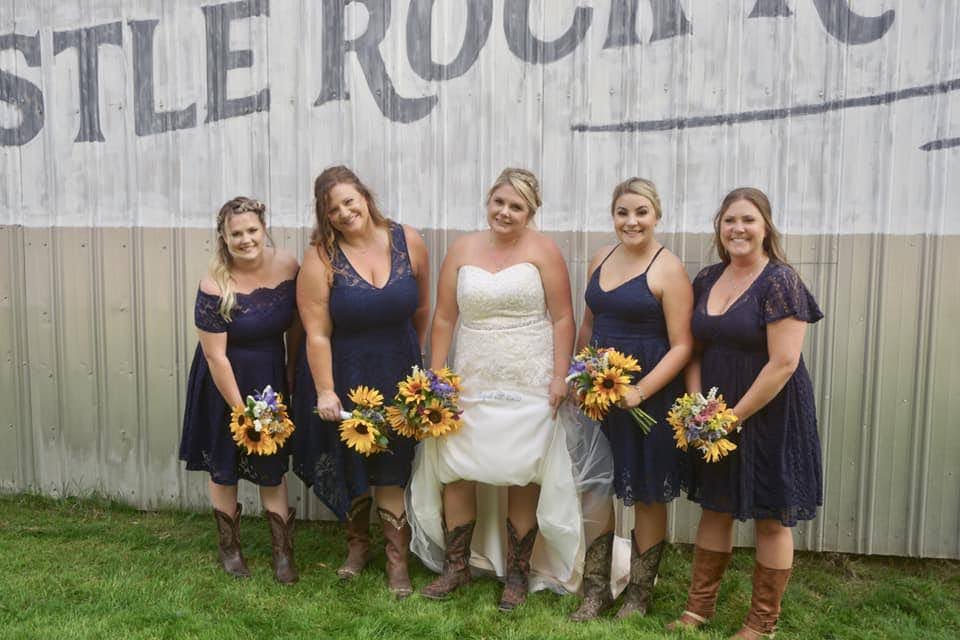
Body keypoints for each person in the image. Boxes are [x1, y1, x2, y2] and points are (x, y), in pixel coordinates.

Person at [407, 167, 613, 612]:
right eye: (499, 202)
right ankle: (456, 566)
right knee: (456, 466)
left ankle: (517, 573)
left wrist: (560, 376)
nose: (505, 212)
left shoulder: (544, 250)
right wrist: (439, 379)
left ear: (530, 212)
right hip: (472, 374)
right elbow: (444, 318)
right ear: (488, 202)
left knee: (524, 466)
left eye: (516, 206)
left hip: (529, 373)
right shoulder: (462, 248)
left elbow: (563, 318)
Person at [668, 188, 823, 638]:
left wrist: (730, 419)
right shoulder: (707, 278)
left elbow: (784, 362)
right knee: (715, 507)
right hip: (713, 413)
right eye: (730, 220)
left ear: (765, 228)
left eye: (748, 220)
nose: (738, 228)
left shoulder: (780, 281)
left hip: (769, 412)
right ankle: (698, 610)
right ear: (720, 227)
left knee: (770, 518)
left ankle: (761, 623)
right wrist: (700, 409)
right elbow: (694, 350)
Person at [292, 166, 430, 598]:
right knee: (352, 461)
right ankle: (357, 545)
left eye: (350, 201)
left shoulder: (408, 239)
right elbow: (316, 332)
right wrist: (326, 390)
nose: (345, 212)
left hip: (398, 370)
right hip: (345, 372)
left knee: (392, 466)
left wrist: (417, 364)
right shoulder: (320, 257)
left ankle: (397, 563)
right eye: (333, 209)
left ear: (365, 197)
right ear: (324, 216)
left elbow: (422, 307)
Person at [570, 178, 692, 620]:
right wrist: (579, 374)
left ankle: (639, 595)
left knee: (646, 493)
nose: (631, 221)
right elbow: (589, 324)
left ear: (656, 215)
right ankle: (596, 590)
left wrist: (640, 391)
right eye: (623, 212)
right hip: (600, 394)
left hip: (648, 396)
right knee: (598, 486)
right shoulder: (601, 257)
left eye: (641, 212)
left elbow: (682, 345)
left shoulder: (668, 269)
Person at [180, 196, 302, 583]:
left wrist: (293, 373)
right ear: (224, 237)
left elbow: (298, 327)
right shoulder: (213, 284)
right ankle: (229, 549)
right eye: (237, 234)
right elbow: (216, 357)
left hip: (269, 375)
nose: (246, 239)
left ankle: (283, 553)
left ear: (264, 228)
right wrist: (243, 413)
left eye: (252, 230)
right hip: (224, 382)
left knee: (272, 468)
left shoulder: (288, 265)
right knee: (225, 468)